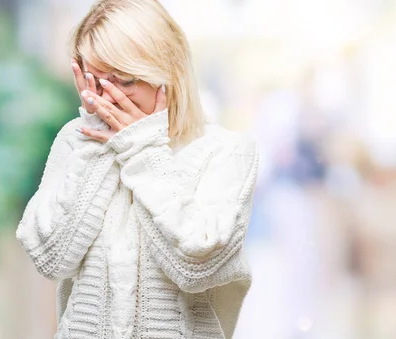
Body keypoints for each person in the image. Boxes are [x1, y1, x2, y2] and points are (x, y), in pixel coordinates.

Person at [15, 1, 259, 338]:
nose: (107, 99)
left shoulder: (226, 152)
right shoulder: (76, 141)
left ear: (168, 74)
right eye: (95, 82)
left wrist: (143, 149)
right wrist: (100, 141)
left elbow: (195, 267)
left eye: (123, 81)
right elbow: (51, 259)